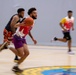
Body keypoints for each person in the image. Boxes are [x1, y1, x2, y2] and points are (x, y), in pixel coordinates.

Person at [6, 7, 37, 72]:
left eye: (36, 13)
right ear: (31, 14)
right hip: (17, 37)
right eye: (34, 13)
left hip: (23, 38)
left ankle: (16, 66)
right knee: (20, 54)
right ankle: (7, 46)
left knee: (27, 53)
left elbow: (28, 31)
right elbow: (15, 25)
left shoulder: (33, 22)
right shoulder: (26, 19)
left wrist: (33, 38)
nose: (36, 14)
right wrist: (21, 24)